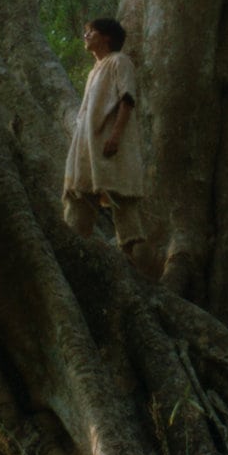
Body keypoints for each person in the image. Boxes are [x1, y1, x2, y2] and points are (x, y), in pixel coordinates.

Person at [63, 17, 152, 275]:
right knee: (80, 193)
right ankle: (75, 254)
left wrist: (116, 135)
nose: (86, 36)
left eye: (91, 31)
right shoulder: (94, 71)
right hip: (86, 145)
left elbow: (127, 99)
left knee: (121, 196)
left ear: (107, 37)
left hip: (109, 145)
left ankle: (133, 262)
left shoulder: (119, 61)